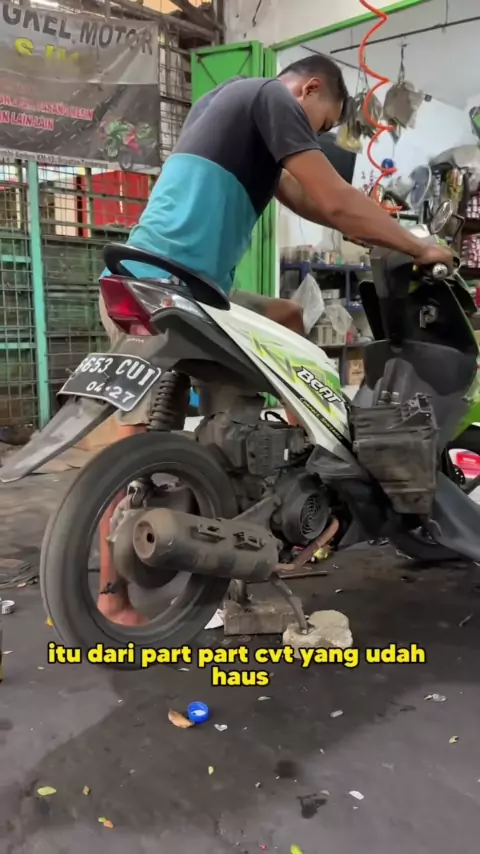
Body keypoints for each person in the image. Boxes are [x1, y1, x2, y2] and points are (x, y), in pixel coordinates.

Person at [98, 54, 454, 626]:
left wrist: (377, 225)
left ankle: (297, 464)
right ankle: (111, 598)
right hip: (166, 288)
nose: (316, 134)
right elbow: (333, 200)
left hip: (181, 286)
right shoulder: (272, 97)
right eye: (322, 123)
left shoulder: (228, 104)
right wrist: (418, 246)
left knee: (287, 315)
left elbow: (311, 199)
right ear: (309, 89)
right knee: (130, 444)